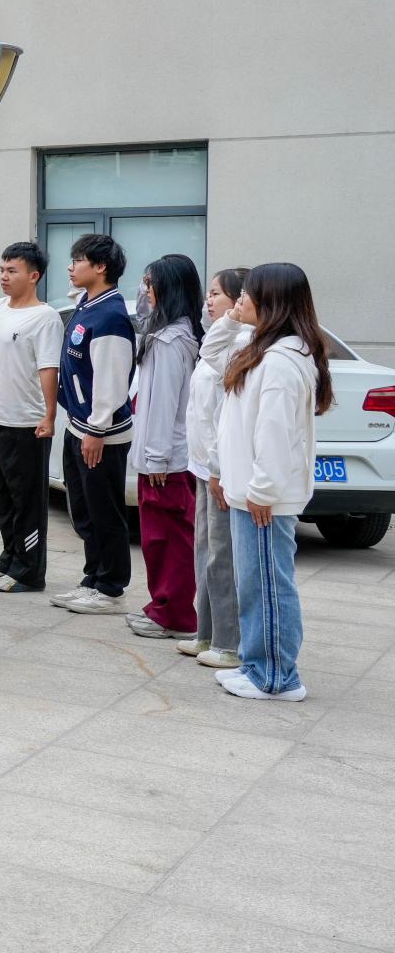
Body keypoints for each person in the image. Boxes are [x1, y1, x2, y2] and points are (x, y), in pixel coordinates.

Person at [212, 262, 332, 702]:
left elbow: (275, 433)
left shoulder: (281, 361)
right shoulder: (262, 347)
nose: (242, 298)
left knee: (267, 584)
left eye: (250, 292)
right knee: (253, 584)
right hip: (248, 491)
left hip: (263, 496)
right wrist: (232, 318)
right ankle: (256, 665)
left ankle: (278, 677)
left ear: (273, 301)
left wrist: (261, 489)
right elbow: (211, 354)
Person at [54, 233, 138, 615]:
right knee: (85, 510)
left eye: (78, 260)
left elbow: (111, 380)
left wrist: (97, 429)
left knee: (105, 511)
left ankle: (111, 587)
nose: (71, 267)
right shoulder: (88, 304)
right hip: (79, 425)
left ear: (101, 267)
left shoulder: (111, 317)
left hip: (100, 433)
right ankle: (92, 578)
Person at [0, 241, 63, 593]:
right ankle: (8, 560)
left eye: (12, 271)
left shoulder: (45, 317)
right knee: (4, 500)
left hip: (26, 425)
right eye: (2, 270)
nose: (4, 276)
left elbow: (49, 368)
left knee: (27, 504)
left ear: (34, 275)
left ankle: (29, 571)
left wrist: (50, 414)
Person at [126, 254, 205, 638]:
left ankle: (175, 615)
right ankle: (162, 606)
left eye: (149, 283)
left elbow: (163, 404)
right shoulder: (167, 335)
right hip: (162, 457)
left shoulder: (172, 341)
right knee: (158, 540)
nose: (145, 291)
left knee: (169, 540)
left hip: (167, 461)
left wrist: (156, 457)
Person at [180, 267, 251, 669]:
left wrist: (219, 468)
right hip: (203, 465)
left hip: (221, 469)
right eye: (208, 294)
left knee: (222, 555)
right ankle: (205, 632)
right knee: (205, 551)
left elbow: (226, 417)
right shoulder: (222, 339)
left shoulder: (242, 344)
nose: (209, 301)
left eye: (217, 294)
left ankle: (228, 642)